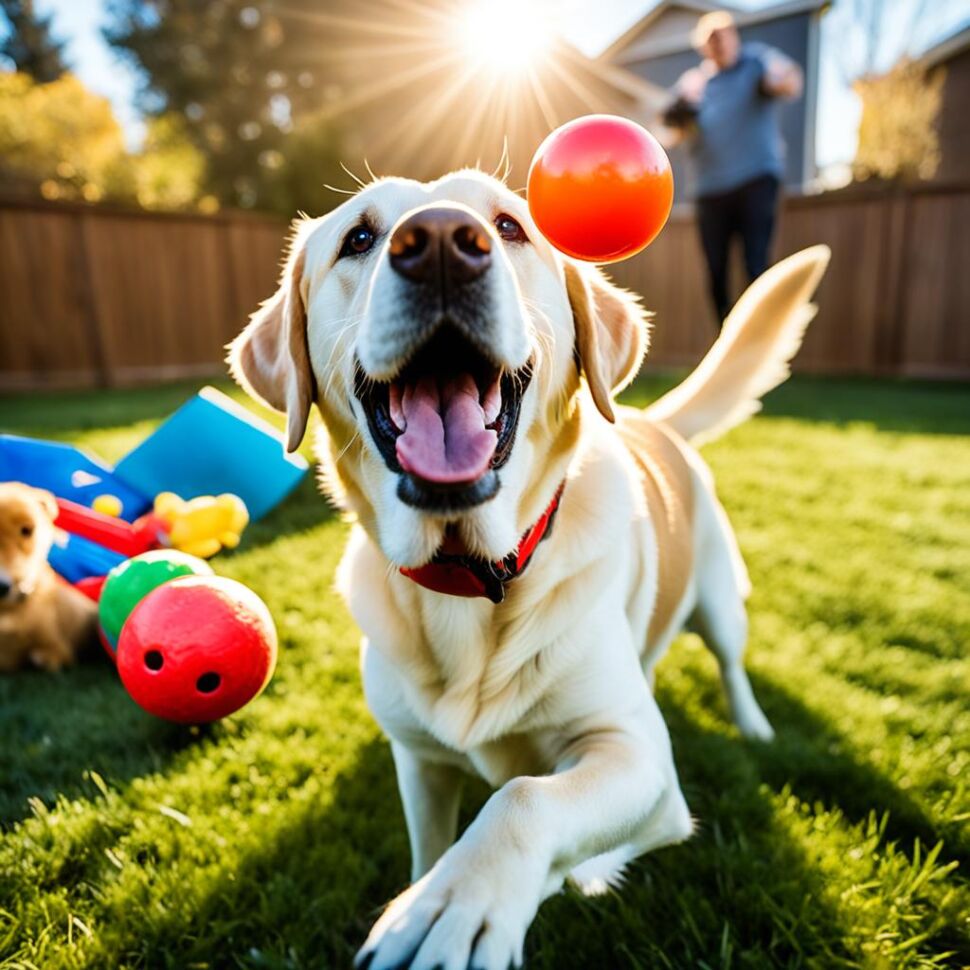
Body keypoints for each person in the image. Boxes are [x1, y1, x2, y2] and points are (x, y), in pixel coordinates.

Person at [662, 10, 803, 327]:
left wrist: (780, 82)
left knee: (755, 264)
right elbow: (668, 132)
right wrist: (678, 116)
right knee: (715, 273)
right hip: (710, 189)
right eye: (713, 39)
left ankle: (760, 338)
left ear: (735, 38)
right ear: (704, 47)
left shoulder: (757, 62)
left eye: (726, 35)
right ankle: (725, 340)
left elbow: (791, 80)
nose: (721, 43)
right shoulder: (694, 83)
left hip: (755, 178)